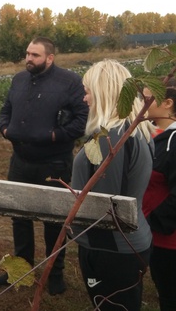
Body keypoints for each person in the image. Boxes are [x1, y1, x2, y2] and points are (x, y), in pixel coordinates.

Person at [0, 36, 89, 295]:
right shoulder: (19, 80)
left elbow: (81, 121)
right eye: (27, 53)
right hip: (20, 162)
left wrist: (52, 136)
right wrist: (5, 128)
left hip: (54, 163)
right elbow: (5, 109)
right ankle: (21, 270)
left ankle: (54, 274)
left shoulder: (70, 82)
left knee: (54, 222)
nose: (29, 58)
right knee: (20, 218)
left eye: (35, 55)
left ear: (50, 58)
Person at [72, 59, 154, 311]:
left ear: (102, 92)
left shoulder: (111, 139)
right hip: (130, 241)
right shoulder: (135, 129)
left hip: (110, 248)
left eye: (87, 92)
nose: (84, 99)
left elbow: (104, 207)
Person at [143, 78, 176, 311]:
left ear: (167, 103)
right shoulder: (157, 137)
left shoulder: (173, 142)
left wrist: (150, 220)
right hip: (158, 237)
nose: (140, 104)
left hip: (169, 241)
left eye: (146, 99)